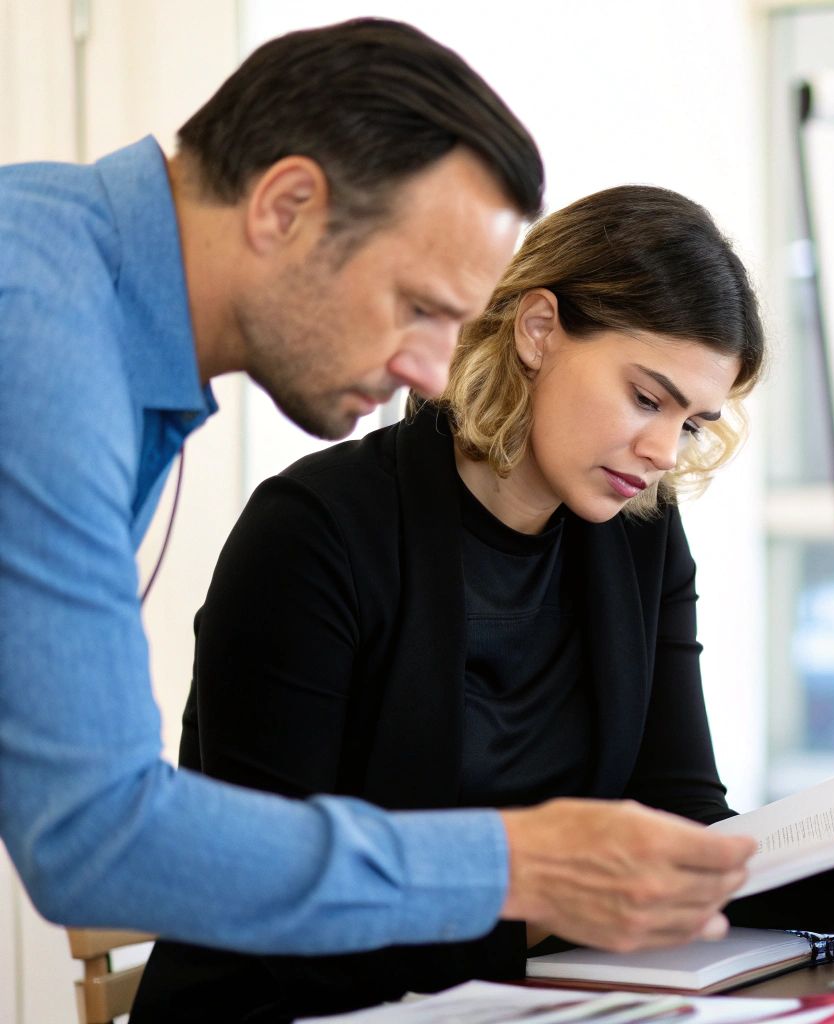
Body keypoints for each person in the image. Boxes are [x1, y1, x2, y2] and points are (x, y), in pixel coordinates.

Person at [129, 184, 834, 1021]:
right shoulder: (317, 532)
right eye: (646, 397)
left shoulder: (641, 539)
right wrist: (554, 906)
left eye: (690, 422)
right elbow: (272, 893)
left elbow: (685, 831)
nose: (661, 451)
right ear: (538, 330)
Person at [0, 18, 764, 960]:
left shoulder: (78, 295)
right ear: (286, 207)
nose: (435, 374)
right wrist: (518, 867)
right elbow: (94, 836)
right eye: (418, 306)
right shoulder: (40, 339)